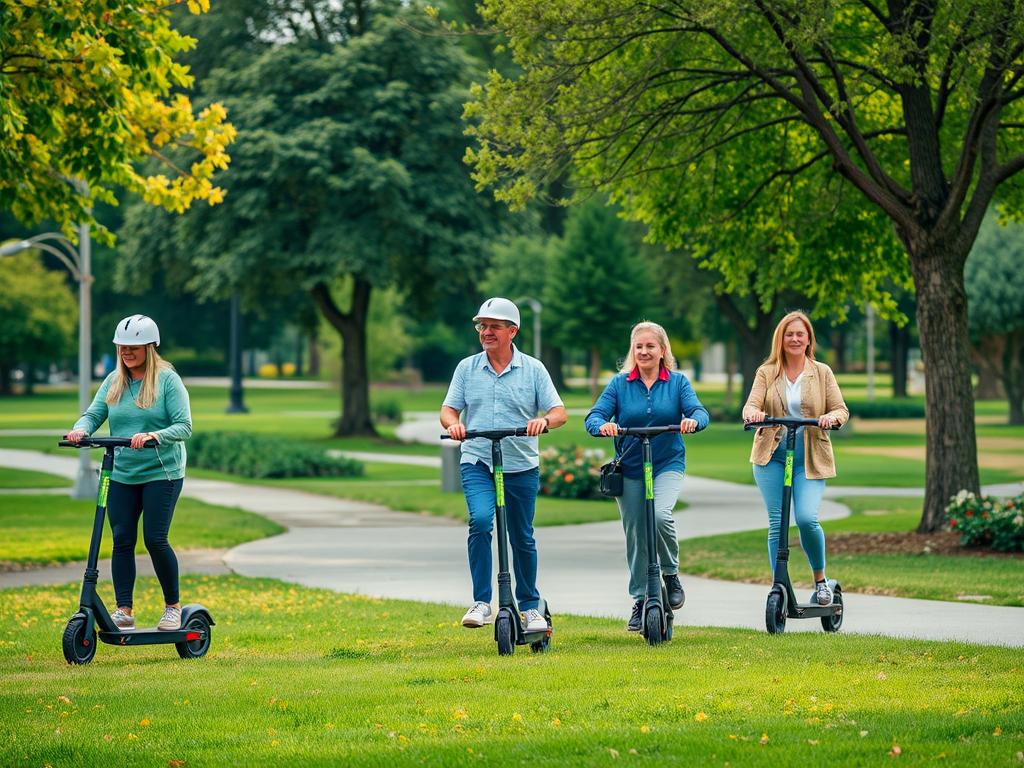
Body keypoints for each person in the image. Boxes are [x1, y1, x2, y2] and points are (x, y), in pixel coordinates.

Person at [440, 297, 568, 631]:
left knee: (521, 536)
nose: (486, 332)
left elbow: (559, 412)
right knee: (481, 522)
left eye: (494, 326)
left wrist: (545, 421)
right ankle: (482, 602)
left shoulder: (534, 369)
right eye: (482, 326)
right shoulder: (467, 368)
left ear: (512, 331)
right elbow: (448, 410)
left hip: (521, 464)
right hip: (479, 460)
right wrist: (453, 424)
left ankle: (529, 606)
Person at [66, 315, 193, 631]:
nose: (126, 352)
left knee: (154, 539)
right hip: (121, 471)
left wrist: (154, 436)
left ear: (149, 347)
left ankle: (172, 608)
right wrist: (80, 431)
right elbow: (94, 414)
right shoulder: (113, 381)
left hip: (161, 471)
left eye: (133, 347)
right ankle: (124, 610)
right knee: (121, 539)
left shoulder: (167, 380)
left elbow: (184, 426)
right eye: (122, 347)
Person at [585, 321, 709, 632]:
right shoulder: (620, 384)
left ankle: (670, 574)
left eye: (650, 346)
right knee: (636, 534)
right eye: (638, 347)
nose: (644, 351)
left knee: (660, 517)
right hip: (630, 467)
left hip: (666, 463)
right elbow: (594, 416)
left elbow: (700, 412)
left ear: (662, 350)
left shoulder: (678, 382)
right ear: (633, 351)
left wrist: (692, 421)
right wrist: (603, 425)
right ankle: (640, 599)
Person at [742, 310, 849, 606]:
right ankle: (780, 584)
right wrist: (753, 414)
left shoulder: (822, 372)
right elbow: (751, 405)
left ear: (808, 339)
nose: (794, 339)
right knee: (777, 522)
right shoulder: (767, 372)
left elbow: (841, 409)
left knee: (805, 518)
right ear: (781, 338)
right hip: (770, 456)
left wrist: (829, 417)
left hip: (810, 457)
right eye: (789, 334)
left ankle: (820, 581)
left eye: (800, 334)